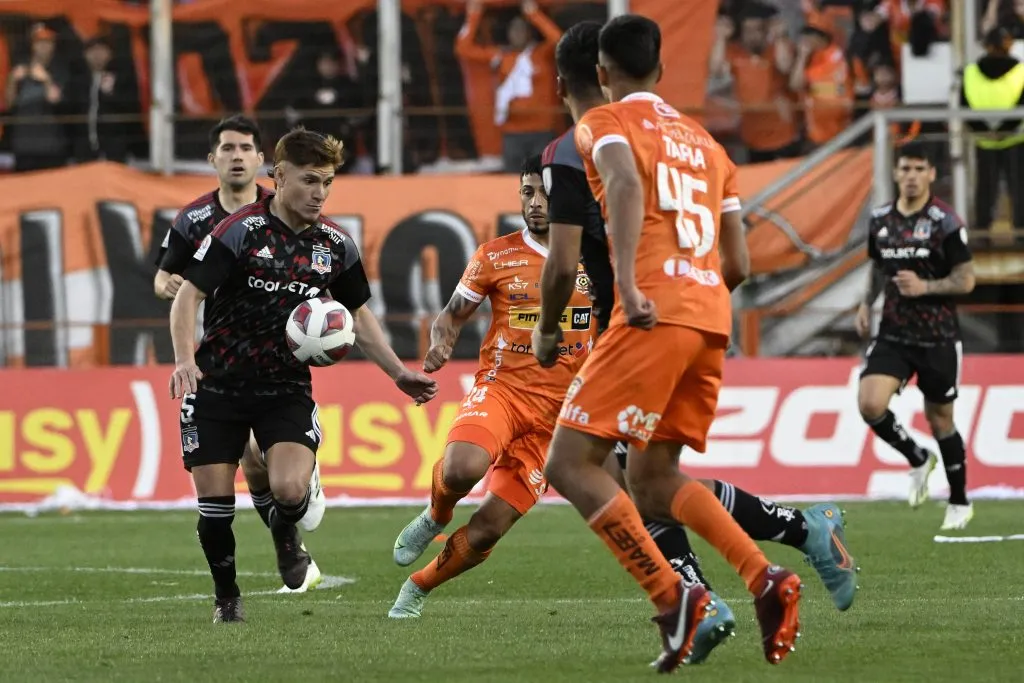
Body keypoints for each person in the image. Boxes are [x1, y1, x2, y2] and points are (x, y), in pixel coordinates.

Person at [537, 21, 856, 647]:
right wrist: (695, 302)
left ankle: (676, 600)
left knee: (570, 464)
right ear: (661, 71)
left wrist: (632, 286)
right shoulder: (709, 144)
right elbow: (739, 263)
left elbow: (623, 182)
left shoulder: (602, 123)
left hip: (647, 314)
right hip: (708, 317)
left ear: (601, 74)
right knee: (654, 484)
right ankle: (764, 577)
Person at [168, 128, 438, 622]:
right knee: (215, 510)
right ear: (279, 176)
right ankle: (227, 599)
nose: (320, 193)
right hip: (217, 385)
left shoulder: (335, 245)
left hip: (284, 388)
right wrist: (185, 360)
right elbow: (188, 296)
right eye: (310, 180)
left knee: (290, 493)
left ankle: (285, 526)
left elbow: (357, 315)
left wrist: (398, 373)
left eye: (327, 182)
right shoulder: (239, 231)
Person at [387, 155, 595, 618]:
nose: (535, 203)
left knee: (488, 529)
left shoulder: (599, 259)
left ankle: (417, 587)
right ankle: (436, 514)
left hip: (560, 417)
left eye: (546, 194)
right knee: (462, 468)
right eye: (527, 192)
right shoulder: (495, 255)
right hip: (504, 390)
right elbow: (451, 315)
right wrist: (442, 343)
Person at [155, 115, 325, 594]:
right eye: (227, 148)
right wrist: (170, 286)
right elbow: (166, 275)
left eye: (245, 148)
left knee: (262, 460)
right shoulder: (194, 219)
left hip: (279, 368)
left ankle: (287, 525)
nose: (236, 156)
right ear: (212, 159)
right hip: (224, 360)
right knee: (250, 462)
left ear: (261, 160)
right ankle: (282, 540)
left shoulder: (286, 212)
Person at [856, 142, 976, 531]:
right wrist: (865, 303)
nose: (911, 176)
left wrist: (925, 287)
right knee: (869, 403)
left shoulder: (945, 222)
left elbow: (966, 279)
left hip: (938, 336)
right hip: (894, 333)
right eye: (905, 168)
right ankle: (918, 458)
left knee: (940, 420)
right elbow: (878, 268)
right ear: (896, 173)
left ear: (931, 174)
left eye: (919, 169)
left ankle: (959, 500)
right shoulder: (880, 219)